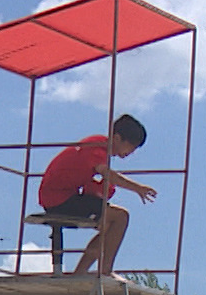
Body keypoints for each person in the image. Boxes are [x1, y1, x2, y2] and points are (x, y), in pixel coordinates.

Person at [37, 114, 156, 275]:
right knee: (120, 217)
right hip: (58, 200)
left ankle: (81, 272)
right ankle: (105, 271)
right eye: (131, 146)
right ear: (117, 138)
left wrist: (103, 192)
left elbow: (90, 185)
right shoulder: (97, 149)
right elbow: (109, 175)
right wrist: (138, 188)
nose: (131, 152)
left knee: (109, 226)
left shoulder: (96, 147)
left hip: (61, 196)